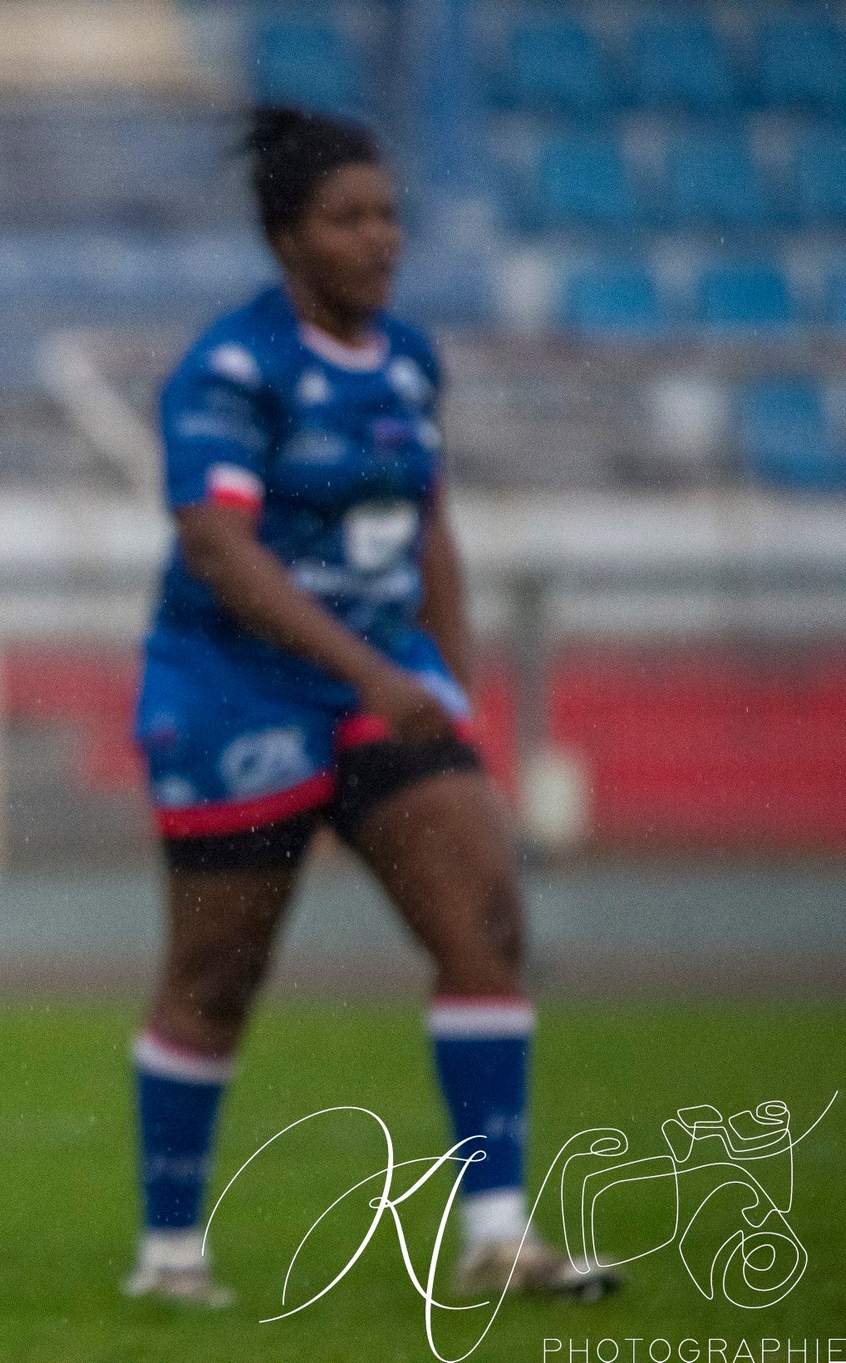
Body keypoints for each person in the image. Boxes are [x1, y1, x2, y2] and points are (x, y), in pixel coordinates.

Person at [123, 106, 616, 1307]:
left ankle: (496, 1233)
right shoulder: (229, 370)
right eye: (346, 218)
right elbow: (220, 550)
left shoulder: (406, 360)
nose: (379, 237)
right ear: (286, 238)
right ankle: (169, 1250)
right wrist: (375, 672)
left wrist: (444, 682)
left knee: (484, 921)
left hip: (380, 685)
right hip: (234, 691)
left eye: (387, 213)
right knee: (217, 971)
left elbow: (426, 521)